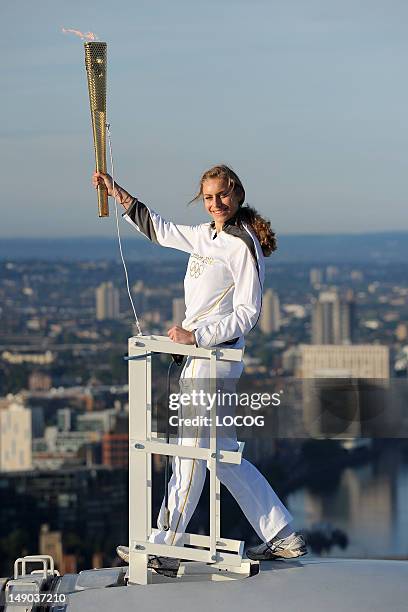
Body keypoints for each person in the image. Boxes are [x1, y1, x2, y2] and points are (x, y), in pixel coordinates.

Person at [92, 164, 307, 577]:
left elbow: (248, 313)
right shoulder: (207, 235)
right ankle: (282, 534)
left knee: (190, 453)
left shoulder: (242, 244)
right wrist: (117, 192)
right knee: (220, 456)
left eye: (222, 196)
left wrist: (198, 336)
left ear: (237, 194)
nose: (216, 204)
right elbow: (160, 229)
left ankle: (167, 546)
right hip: (201, 360)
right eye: (208, 198)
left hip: (214, 359)